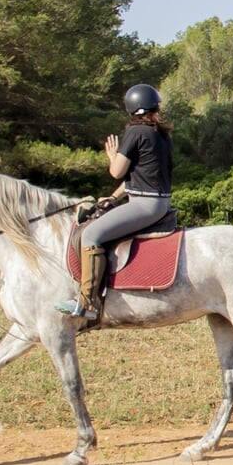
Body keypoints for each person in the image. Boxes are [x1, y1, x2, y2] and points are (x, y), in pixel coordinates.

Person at [56, 84, 174, 325]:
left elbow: (117, 171)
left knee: (90, 235)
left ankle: (88, 303)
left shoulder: (136, 132)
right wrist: (113, 198)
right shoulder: (161, 134)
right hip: (158, 202)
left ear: (131, 109)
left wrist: (112, 155)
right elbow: (139, 175)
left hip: (144, 205)